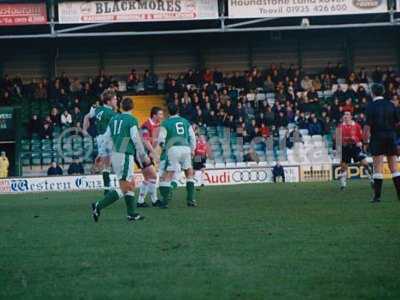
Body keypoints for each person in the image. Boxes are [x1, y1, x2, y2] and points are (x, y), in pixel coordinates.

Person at [91, 97, 148, 222]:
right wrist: (143, 155)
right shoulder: (132, 120)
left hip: (116, 153)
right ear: (132, 107)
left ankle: (131, 214)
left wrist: (101, 154)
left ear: (121, 107)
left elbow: (106, 138)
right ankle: (98, 206)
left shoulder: (114, 119)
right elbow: (136, 139)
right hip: (125, 155)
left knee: (130, 183)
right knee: (126, 186)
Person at [158, 103, 197, 208]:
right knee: (189, 173)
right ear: (178, 111)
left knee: (168, 174)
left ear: (168, 112)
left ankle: (165, 201)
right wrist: (192, 149)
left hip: (173, 148)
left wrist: (164, 147)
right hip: (185, 148)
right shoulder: (185, 122)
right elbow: (192, 137)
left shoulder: (165, 123)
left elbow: (161, 139)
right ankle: (191, 199)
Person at [366, 84, 400, 203]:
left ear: (373, 92)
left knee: (378, 167)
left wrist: (365, 141)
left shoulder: (370, 106)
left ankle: (377, 197)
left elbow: (367, 126)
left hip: (377, 137)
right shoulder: (391, 104)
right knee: (394, 168)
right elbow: (398, 123)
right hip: (390, 137)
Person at [83, 89, 117, 195]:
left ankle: (107, 188)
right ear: (108, 101)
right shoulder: (111, 114)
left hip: (99, 139)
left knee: (106, 165)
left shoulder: (97, 109)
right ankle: (119, 186)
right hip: (108, 139)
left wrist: (85, 130)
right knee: (111, 163)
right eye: (114, 99)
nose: (116, 101)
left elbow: (86, 117)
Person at [336, 111, 373, 190]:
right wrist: (342, 142)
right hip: (345, 148)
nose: (345, 116)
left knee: (365, 163)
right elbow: (337, 138)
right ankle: (343, 185)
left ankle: (372, 180)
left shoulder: (356, 126)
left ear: (351, 117)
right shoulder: (340, 126)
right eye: (344, 115)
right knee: (343, 167)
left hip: (355, 148)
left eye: (347, 114)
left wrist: (359, 142)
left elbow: (361, 137)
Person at [137, 107, 164, 208]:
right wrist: (154, 153)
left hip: (147, 153)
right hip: (141, 153)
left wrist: (152, 152)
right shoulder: (145, 125)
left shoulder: (158, 126)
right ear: (154, 115)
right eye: (160, 114)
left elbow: (155, 141)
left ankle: (140, 201)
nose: (162, 116)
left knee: (148, 177)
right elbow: (145, 140)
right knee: (153, 176)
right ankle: (154, 200)